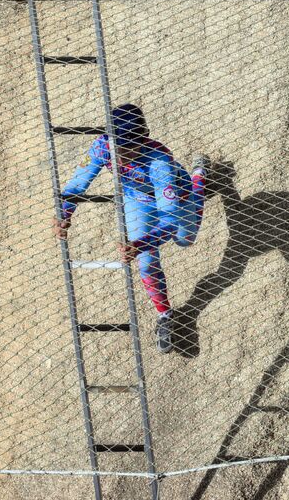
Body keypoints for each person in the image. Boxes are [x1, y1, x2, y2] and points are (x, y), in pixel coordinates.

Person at [55, 103, 208, 352]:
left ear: (142, 141)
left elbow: (169, 222)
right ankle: (165, 316)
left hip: (177, 198)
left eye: (127, 149)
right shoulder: (102, 146)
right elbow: (76, 185)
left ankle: (198, 177)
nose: (119, 156)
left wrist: (140, 244)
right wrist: (64, 215)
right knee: (146, 261)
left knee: (184, 240)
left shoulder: (160, 163)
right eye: (117, 147)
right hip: (137, 200)